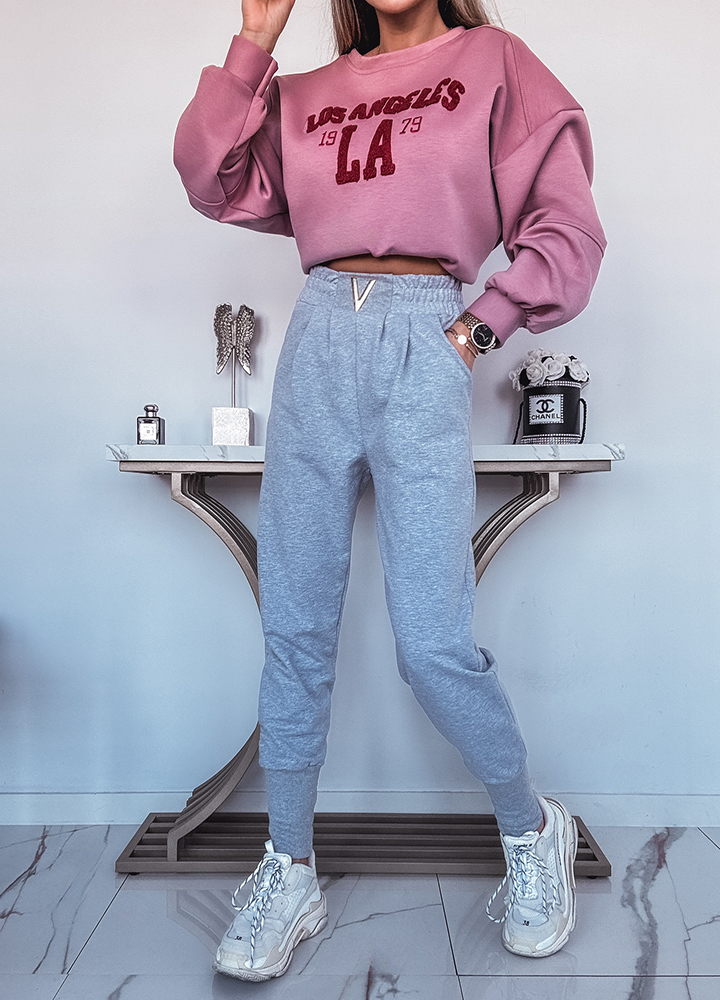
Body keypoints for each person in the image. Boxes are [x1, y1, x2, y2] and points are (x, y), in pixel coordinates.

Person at [174, 0, 606, 981]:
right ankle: (289, 865)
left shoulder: (495, 62)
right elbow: (208, 175)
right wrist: (254, 42)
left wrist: (477, 329)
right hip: (320, 335)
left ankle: (531, 828)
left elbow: (569, 227)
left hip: (427, 335)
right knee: (294, 620)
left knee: (432, 641)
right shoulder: (303, 94)